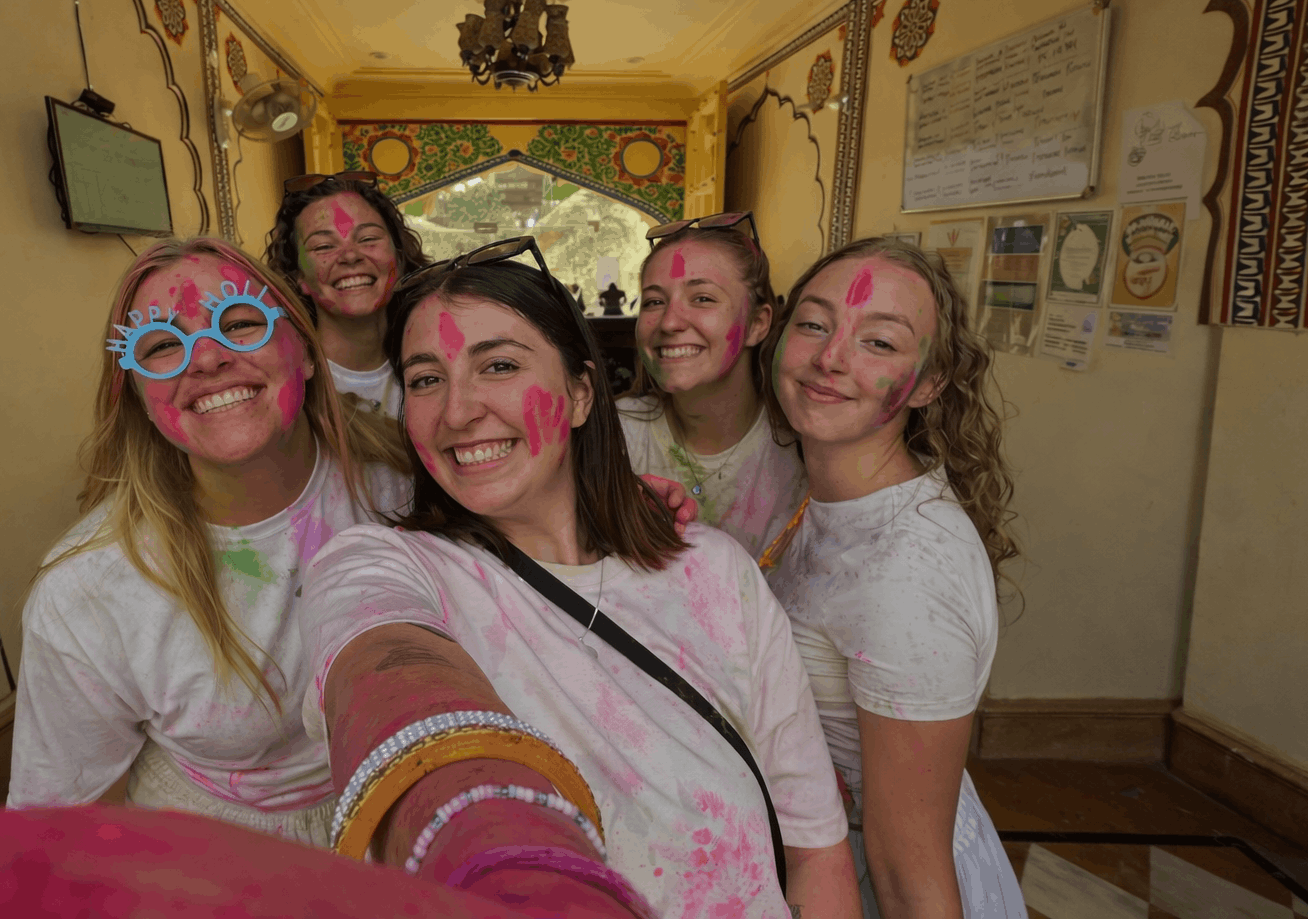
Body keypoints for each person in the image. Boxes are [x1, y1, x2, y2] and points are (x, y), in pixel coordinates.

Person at [298, 240, 862, 919]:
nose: (457, 411)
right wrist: (491, 834)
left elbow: (814, 851)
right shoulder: (384, 564)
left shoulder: (712, 572)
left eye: (499, 366)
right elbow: (381, 665)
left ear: (579, 393)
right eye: (425, 379)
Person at [8, 238, 409, 843]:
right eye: (164, 345)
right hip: (217, 852)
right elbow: (56, 826)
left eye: (242, 324)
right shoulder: (87, 590)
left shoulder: (407, 488)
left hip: (408, 803)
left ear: (304, 350)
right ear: (139, 396)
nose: (207, 356)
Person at [760, 237, 1027, 919]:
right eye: (815, 324)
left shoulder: (905, 571)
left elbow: (911, 876)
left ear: (931, 382)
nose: (829, 358)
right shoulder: (828, 494)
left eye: (879, 343)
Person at [618, 211, 807, 569]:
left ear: (757, 324)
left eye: (703, 298)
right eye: (654, 302)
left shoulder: (804, 447)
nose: (670, 322)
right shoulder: (613, 436)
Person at [266, 171, 431, 418]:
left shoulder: (433, 364)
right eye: (323, 246)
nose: (350, 256)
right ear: (298, 277)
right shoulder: (286, 386)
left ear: (398, 257)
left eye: (368, 238)